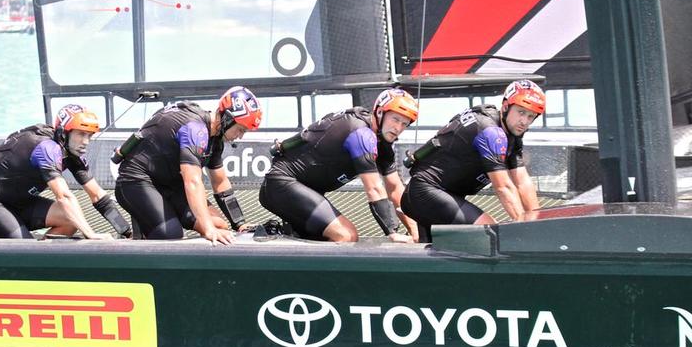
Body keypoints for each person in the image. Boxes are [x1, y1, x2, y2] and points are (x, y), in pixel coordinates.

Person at [258, 88, 418, 243]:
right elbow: (375, 189)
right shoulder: (361, 133)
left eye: (404, 124)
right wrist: (392, 231)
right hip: (281, 184)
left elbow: (395, 188)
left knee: (332, 236)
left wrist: (415, 232)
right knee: (346, 236)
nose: (398, 128)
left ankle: (288, 232)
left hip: (304, 190)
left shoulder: (382, 142)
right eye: (395, 119)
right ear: (380, 112)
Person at [113, 86, 263, 245]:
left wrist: (239, 224)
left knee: (221, 226)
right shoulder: (195, 128)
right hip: (136, 181)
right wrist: (207, 229)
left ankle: (167, 215)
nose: (239, 136)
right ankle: (140, 237)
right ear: (227, 118)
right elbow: (192, 181)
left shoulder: (215, 140)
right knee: (171, 234)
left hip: (170, 185)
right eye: (240, 129)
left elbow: (220, 183)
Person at [401, 79, 545, 242]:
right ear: (505, 107)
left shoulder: (512, 134)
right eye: (521, 112)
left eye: (531, 116)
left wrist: (537, 223)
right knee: (492, 235)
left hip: (443, 197)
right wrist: (525, 230)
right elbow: (503, 187)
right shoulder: (490, 131)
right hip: (424, 193)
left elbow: (522, 182)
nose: (524, 121)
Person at [0, 104, 129, 240]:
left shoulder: (71, 151)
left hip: (20, 204)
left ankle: (45, 260)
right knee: (27, 249)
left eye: (89, 135)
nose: (85, 142)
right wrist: (91, 234)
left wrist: (125, 231)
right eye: (81, 134)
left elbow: (98, 195)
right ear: (64, 133)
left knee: (71, 220)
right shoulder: (46, 147)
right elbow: (63, 196)